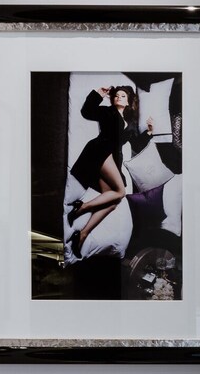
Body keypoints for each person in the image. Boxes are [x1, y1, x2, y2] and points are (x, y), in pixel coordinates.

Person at [65, 84, 153, 259]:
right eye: (116, 95)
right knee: (120, 192)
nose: (118, 97)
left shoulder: (129, 122)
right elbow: (87, 111)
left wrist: (149, 133)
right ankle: (82, 207)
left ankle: (82, 235)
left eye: (123, 96)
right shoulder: (108, 112)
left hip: (110, 158)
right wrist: (98, 94)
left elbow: (135, 143)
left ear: (128, 102)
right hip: (100, 150)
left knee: (113, 203)